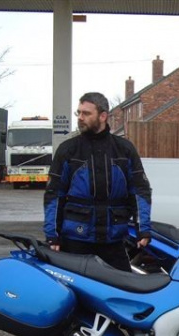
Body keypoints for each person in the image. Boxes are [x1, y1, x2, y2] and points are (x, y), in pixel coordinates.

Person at [44, 92, 151, 271]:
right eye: (78, 113)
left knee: (121, 290)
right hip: (76, 240)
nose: (80, 118)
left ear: (103, 116)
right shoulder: (68, 149)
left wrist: (144, 228)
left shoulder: (124, 149)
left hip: (113, 240)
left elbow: (140, 191)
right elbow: (54, 194)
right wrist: (52, 235)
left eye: (86, 113)